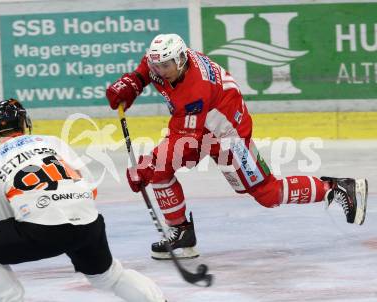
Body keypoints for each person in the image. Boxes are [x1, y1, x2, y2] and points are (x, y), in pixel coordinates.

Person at [105, 33, 368, 260]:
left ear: (181, 60)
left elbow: (185, 143)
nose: (160, 70)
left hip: (228, 136)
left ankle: (338, 188)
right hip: (201, 127)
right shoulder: (165, 61)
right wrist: (132, 83)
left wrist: (147, 166)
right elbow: (144, 71)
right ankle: (182, 233)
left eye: (166, 65)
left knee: (266, 193)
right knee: (160, 170)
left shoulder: (195, 91)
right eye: (157, 64)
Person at [0, 99, 166, 302]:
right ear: (24, 122)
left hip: (42, 232)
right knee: (109, 277)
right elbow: (89, 186)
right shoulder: (51, 142)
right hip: (89, 224)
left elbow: (8, 221)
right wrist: (69, 216)